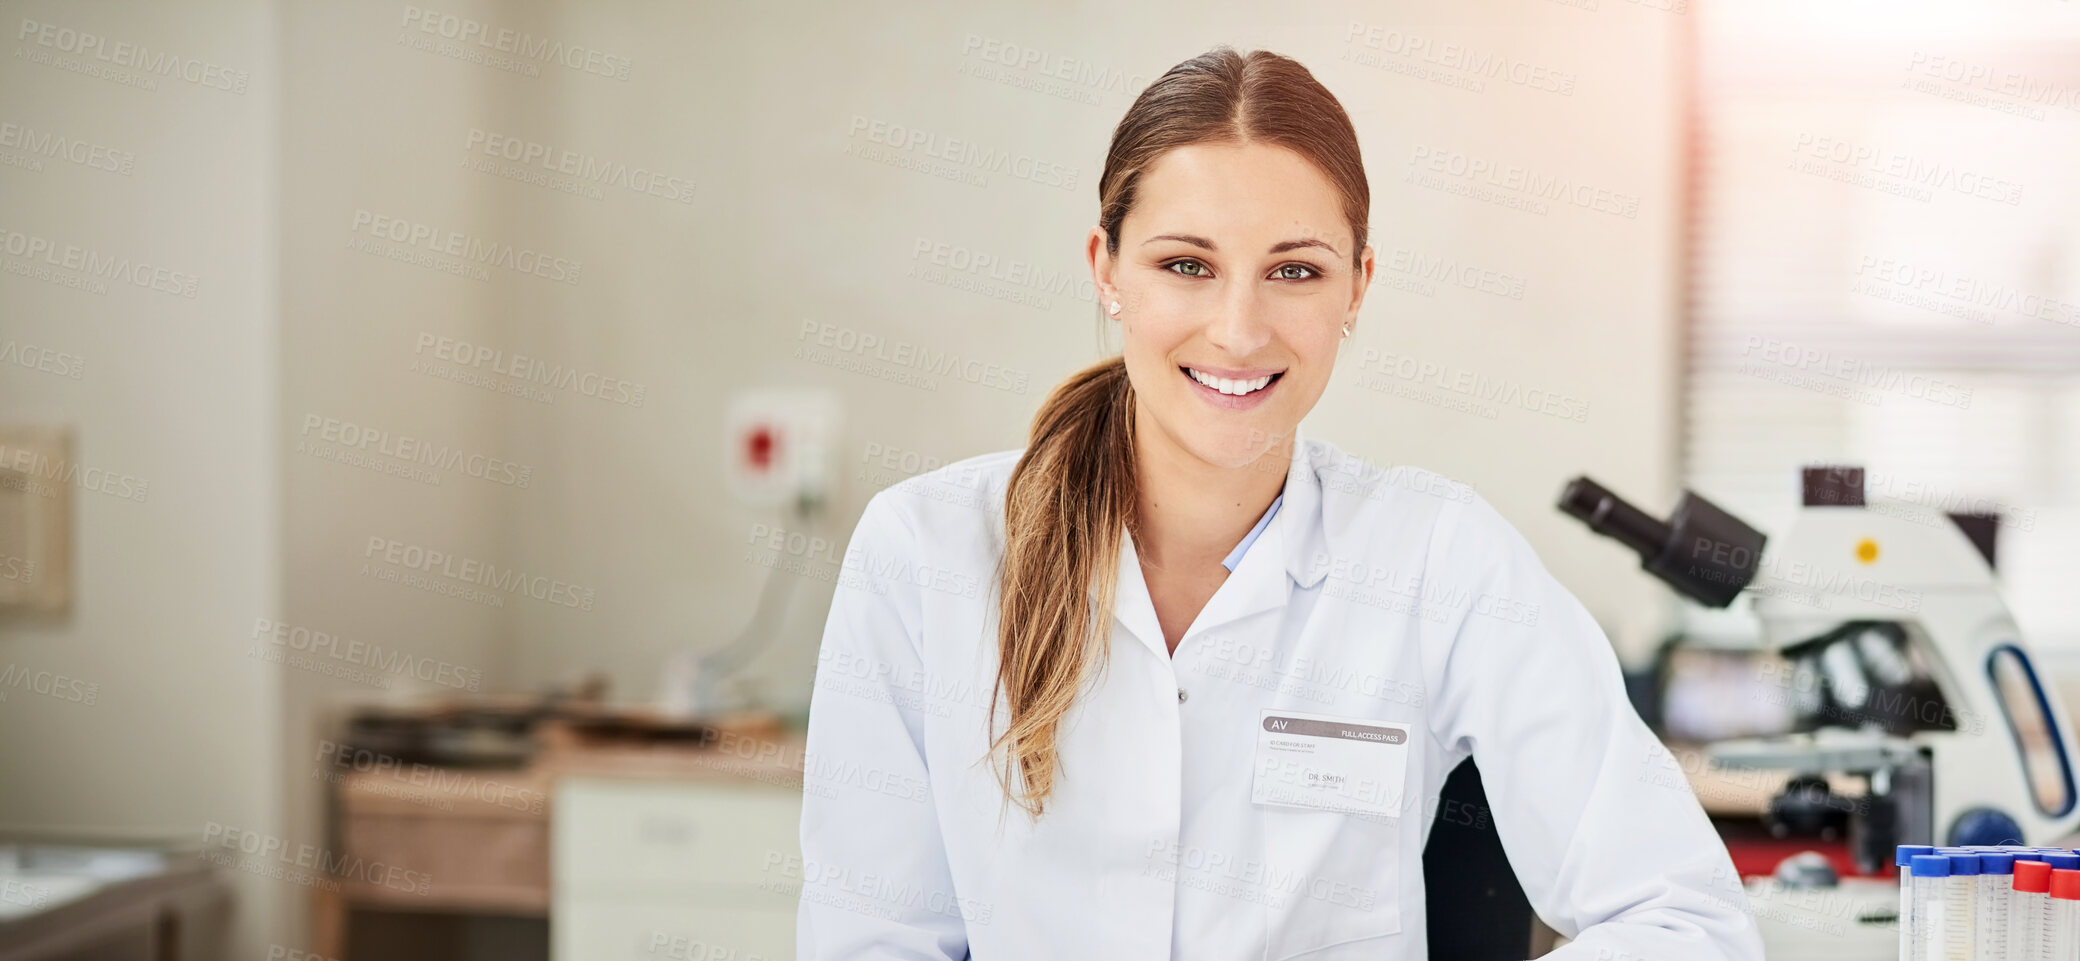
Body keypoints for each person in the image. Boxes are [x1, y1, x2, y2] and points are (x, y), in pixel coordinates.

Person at [795, 45, 1764, 961]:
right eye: (1186, 264)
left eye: (1294, 270)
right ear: (1106, 269)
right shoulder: (927, 551)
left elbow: (1683, 917)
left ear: (1357, 287)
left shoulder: (1437, 558)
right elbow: (871, 939)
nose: (1238, 327)